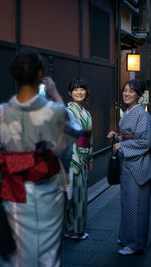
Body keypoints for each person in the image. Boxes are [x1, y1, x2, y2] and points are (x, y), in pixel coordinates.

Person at [0, 47, 82, 266]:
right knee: (48, 254)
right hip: (49, 190)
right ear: (41, 76)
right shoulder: (54, 111)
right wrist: (56, 94)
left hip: (14, 190)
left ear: (14, 75)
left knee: (19, 255)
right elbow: (75, 131)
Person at [107, 79, 151, 256]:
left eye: (131, 91)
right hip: (129, 163)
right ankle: (127, 237)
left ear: (139, 95)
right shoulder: (128, 112)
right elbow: (129, 137)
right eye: (125, 91)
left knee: (137, 205)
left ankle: (135, 244)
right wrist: (117, 138)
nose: (126, 94)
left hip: (138, 164)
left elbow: (144, 142)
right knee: (128, 203)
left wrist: (123, 146)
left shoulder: (142, 115)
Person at [63, 79, 93, 240]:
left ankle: (79, 228)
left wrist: (89, 157)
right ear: (70, 93)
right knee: (73, 194)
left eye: (82, 89)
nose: (79, 92)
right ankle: (71, 229)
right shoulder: (67, 112)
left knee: (82, 193)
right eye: (75, 89)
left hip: (84, 154)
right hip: (73, 157)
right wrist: (74, 158)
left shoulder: (86, 113)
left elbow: (89, 137)